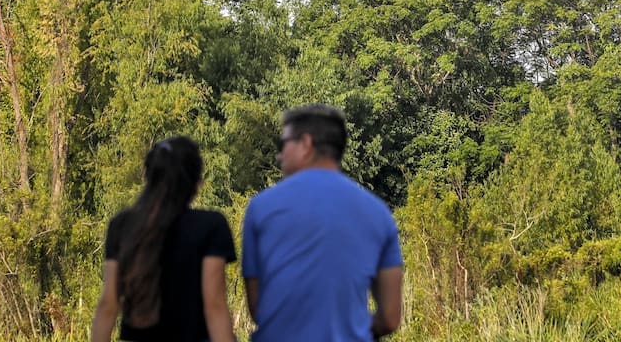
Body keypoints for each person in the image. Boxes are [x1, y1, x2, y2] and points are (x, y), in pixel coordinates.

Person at [241, 104, 404, 341]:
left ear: (306, 144)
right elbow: (390, 318)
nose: (279, 155)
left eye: (283, 144)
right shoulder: (379, 213)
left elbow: (258, 310)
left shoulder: (261, 208)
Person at [91, 136, 236, 342]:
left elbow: (108, 305)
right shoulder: (211, 225)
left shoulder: (122, 225)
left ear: (149, 178)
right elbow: (214, 306)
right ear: (195, 184)